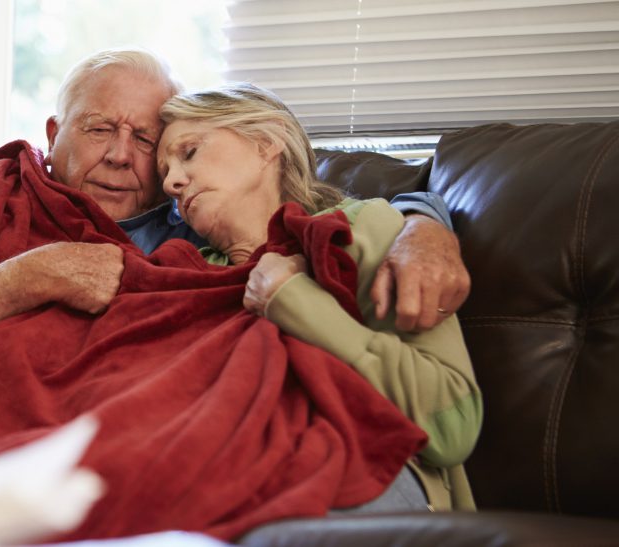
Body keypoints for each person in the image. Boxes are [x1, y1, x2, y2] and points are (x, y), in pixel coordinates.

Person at [0, 48, 470, 380]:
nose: (122, 156)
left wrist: (426, 227)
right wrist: (26, 278)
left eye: (147, 140)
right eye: (98, 130)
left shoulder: (192, 216)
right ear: (54, 133)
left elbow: (316, 203)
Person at [155, 83, 482, 522]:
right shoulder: (183, 273)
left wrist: (294, 302)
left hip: (368, 473)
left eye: (189, 152)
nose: (171, 181)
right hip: (225, 474)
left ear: (266, 142)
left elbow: (452, 425)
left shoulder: (367, 228)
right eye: (165, 170)